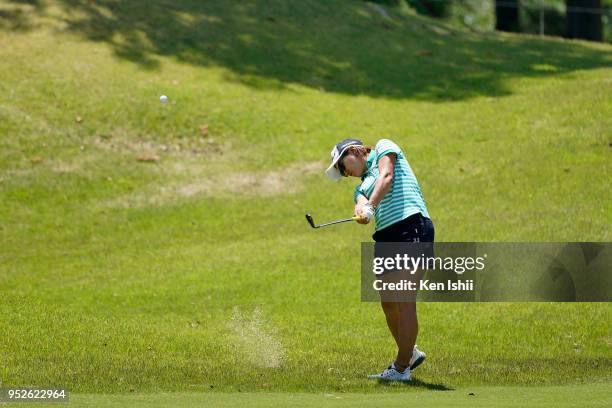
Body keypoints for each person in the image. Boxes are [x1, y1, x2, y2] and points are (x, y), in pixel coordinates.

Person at [325, 138, 435, 382]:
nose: (345, 173)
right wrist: (362, 212)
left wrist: (371, 206)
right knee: (388, 303)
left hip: (411, 225)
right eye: (341, 172)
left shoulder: (385, 146)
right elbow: (360, 203)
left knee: (405, 300)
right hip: (385, 237)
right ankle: (411, 352)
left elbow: (386, 176)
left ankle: (401, 367)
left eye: (343, 166)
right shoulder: (361, 186)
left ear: (354, 151)